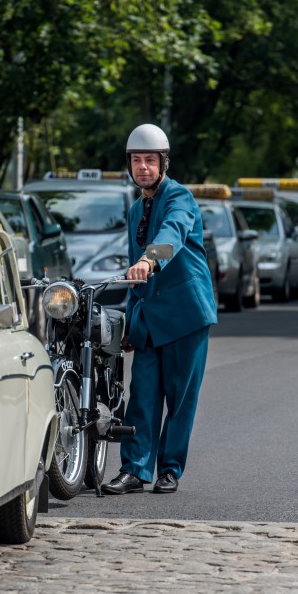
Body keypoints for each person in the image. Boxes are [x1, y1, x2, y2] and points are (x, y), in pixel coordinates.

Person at [100, 124, 218, 495]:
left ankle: (169, 469)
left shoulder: (179, 196)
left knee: (180, 399)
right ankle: (134, 469)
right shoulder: (136, 209)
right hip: (149, 318)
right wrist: (131, 322)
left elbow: (173, 234)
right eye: (136, 160)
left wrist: (149, 260)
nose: (143, 167)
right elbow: (134, 273)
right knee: (143, 396)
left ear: (163, 162)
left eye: (150, 160)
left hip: (186, 315)